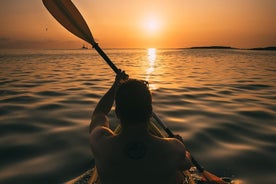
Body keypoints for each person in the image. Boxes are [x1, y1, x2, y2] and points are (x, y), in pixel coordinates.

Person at [89, 69, 191, 184]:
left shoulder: (100, 142)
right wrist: (183, 148)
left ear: (117, 112)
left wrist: (115, 86)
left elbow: (99, 113)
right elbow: (186, 164)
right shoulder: (173, 148)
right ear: (150, 112)